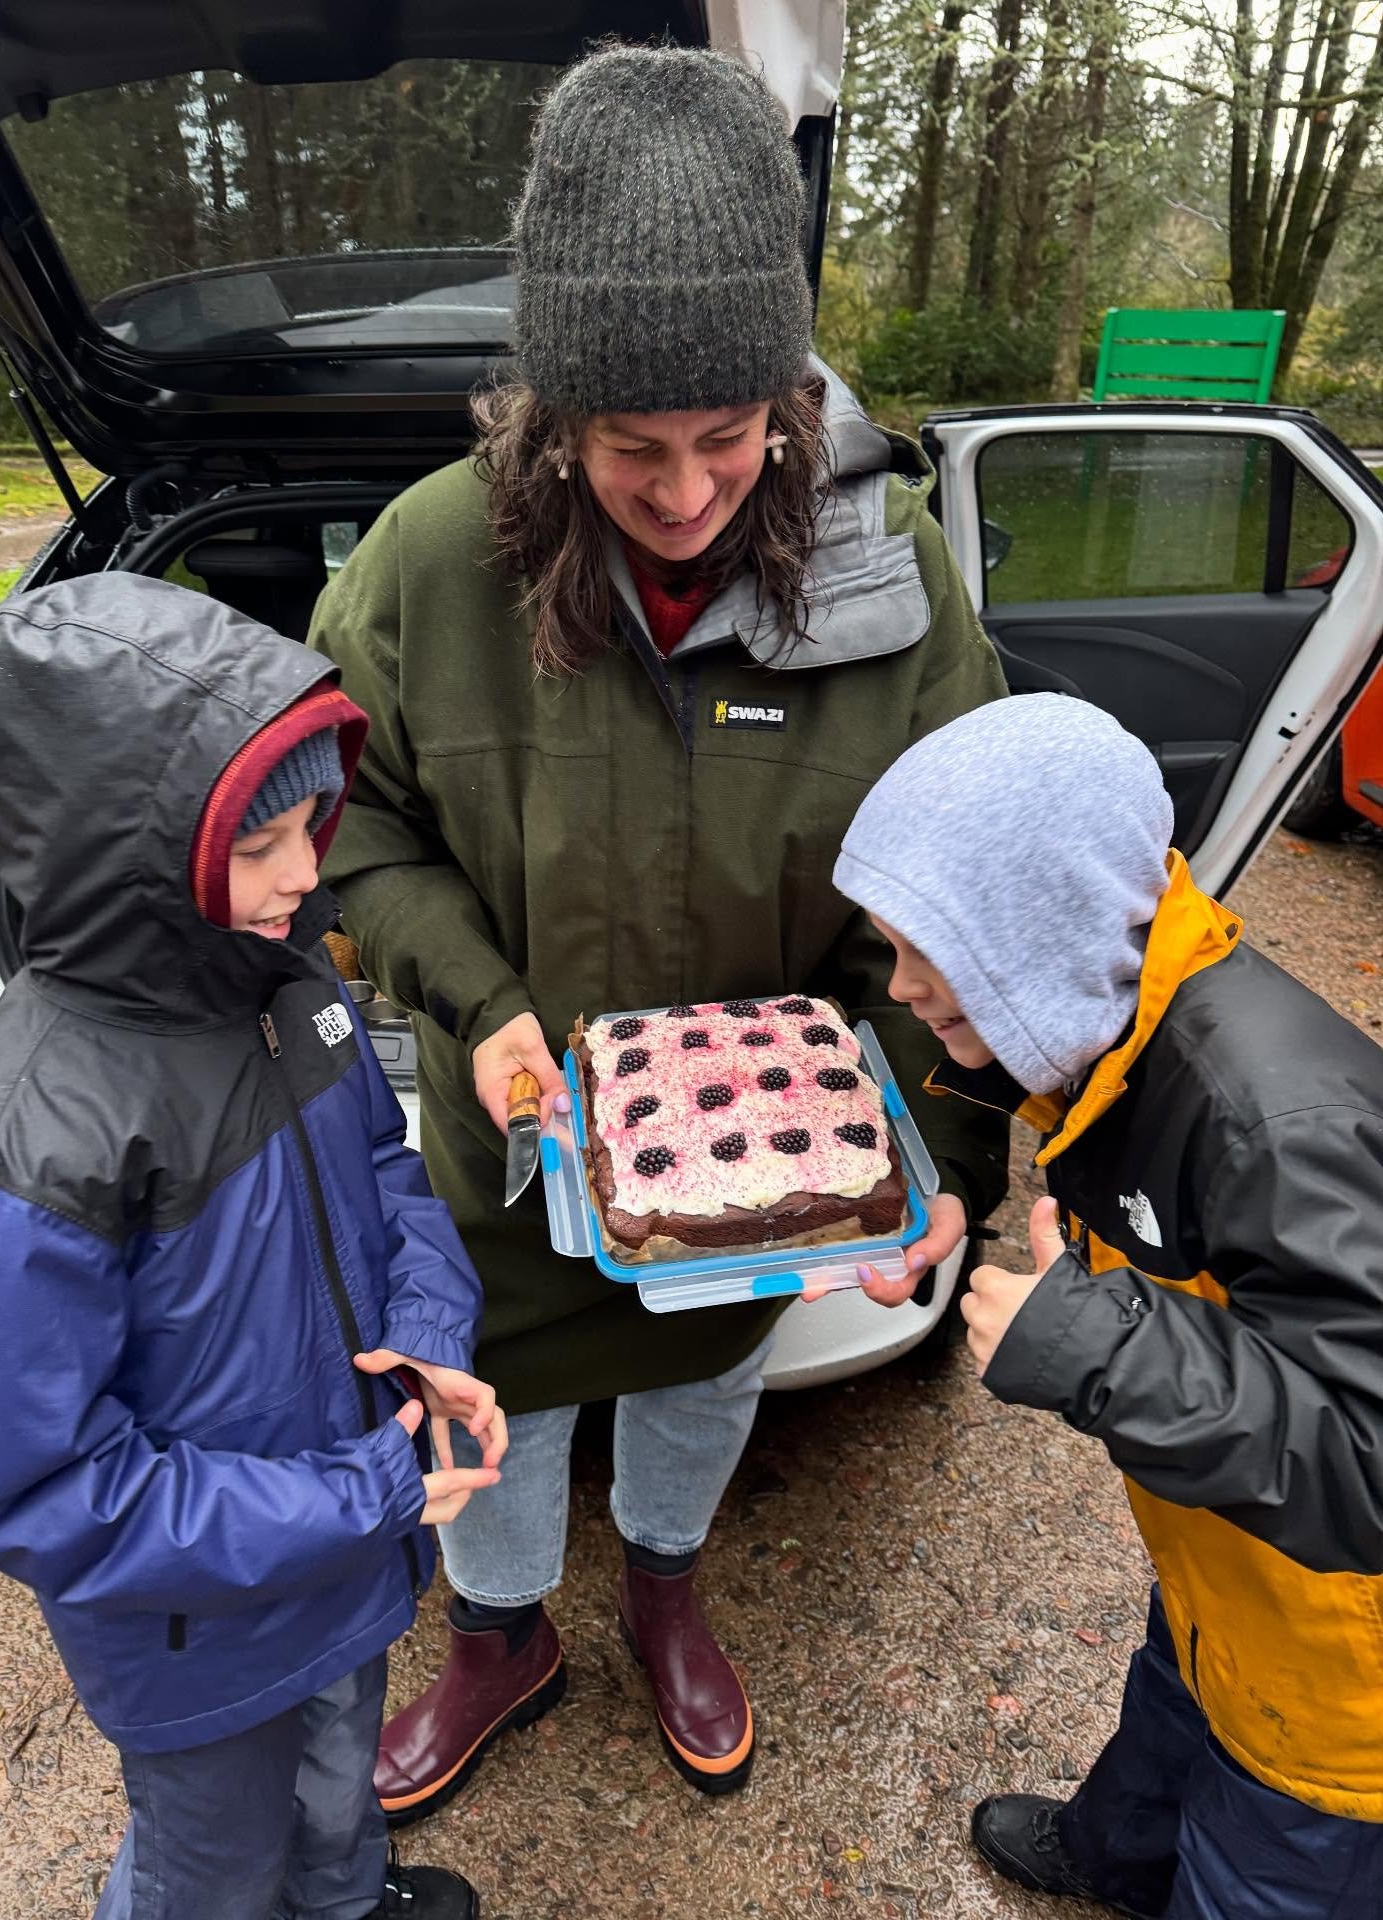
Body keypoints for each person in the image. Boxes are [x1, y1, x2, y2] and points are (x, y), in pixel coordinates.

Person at [308, 43, 1009, 1822]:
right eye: (633, 448)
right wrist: (468, 1003)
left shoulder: (893, 578)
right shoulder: (429, 561)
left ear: (786, 397)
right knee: (510, 1401)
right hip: (515, 1128)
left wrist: (909, 1139)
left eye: (731, 437)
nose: (690, 492)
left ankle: (669, 1590)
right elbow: (350, 823)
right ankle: (498, 1633)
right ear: (550, 417)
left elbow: (961, 876)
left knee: (704, 1371)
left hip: (764, 1165)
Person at [0, 574, 509, 1920]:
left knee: (335, 1786)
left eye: (315, 823)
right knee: (213, 1867)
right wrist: (358, 1496)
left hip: (350, 1557)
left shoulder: (294, 985)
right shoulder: (28, 1141)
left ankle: (349, 1898)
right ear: (130, 852)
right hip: (200, 1638)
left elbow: (387, 1176)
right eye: (260, 842)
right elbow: (41, 1496)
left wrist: (425, 1346)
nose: (308, 873)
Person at [831, 692, 1383, 1920]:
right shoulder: (1111, 1025)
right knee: (1171, 1707)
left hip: (1336, 1691)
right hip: (1222, 1560)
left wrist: (1084, 1339)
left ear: (1040, 926)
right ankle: (1120, 1857)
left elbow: (1369, 1458)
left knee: (1257, 1865)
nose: (903, 985)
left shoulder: (1281, 1129)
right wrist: (954, 1221)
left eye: (932, 951)